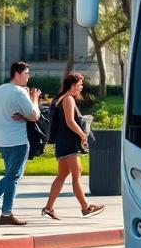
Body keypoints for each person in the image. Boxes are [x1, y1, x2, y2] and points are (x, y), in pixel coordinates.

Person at [41, 72, 104, 220]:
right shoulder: (68, 99)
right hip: (68, 143)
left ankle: (48, 208)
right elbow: (70, 121)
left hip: (62, 142)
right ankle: (86, 207)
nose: (81, 87)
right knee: (77, 174)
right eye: (80, 84)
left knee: (62, 176)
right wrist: (83, 135)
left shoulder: (59, 98)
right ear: (73, 85)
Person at [0, 62, 41, 225]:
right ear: (17, 74)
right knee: (13, 177)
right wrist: (34, 98)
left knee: (11, 176)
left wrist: (23, 115)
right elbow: (34, 115)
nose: (28, 77)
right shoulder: (20, 92)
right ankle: (6, 213)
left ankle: (6, 213)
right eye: (27, 73)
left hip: (1, 140)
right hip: (18, 141)